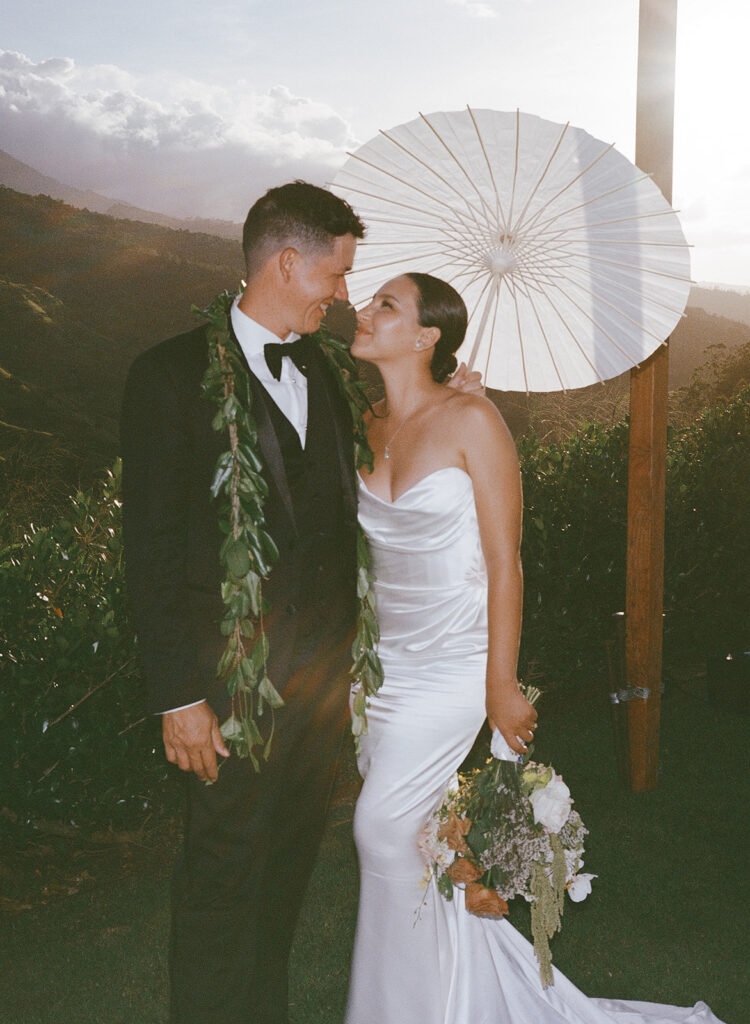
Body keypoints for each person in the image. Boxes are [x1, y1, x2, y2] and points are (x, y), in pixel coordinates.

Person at [120, 183, 478, 1024]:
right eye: (339, 273)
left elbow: (388, 458)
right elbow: (154, 551)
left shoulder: (327, 369)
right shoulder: (168, 376)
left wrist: (458, 396)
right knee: (221, 880)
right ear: (288, 262)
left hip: (319, 695)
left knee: (281, 877)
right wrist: (180, 697)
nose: (345, 295)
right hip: (226, 692)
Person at [345, 272, 727, 1024]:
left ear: (427, 336)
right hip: (379, 673)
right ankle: (457, 1002)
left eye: (385, 305)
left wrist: (500, 684)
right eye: (369, 299)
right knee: (419, 847)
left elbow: (504, 564)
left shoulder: (474, 422)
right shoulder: (360, 423)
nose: (363, 311)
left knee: (379, 831)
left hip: (454, 667)